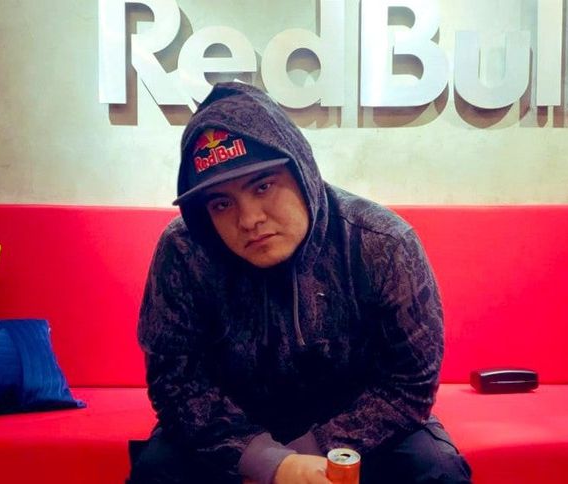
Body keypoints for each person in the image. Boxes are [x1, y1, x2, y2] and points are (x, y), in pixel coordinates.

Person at [128, 82, 472, 484]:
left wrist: (312, 455)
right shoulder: (185, 251)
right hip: (232, 430)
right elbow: (176, 383)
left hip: (358, 426)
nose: (249, 219)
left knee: (437, 471)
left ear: (302, 170)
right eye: (221, 203)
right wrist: (270, 462)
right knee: (157, 471)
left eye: (263, 186)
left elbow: (409, 384)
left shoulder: (383, 243)